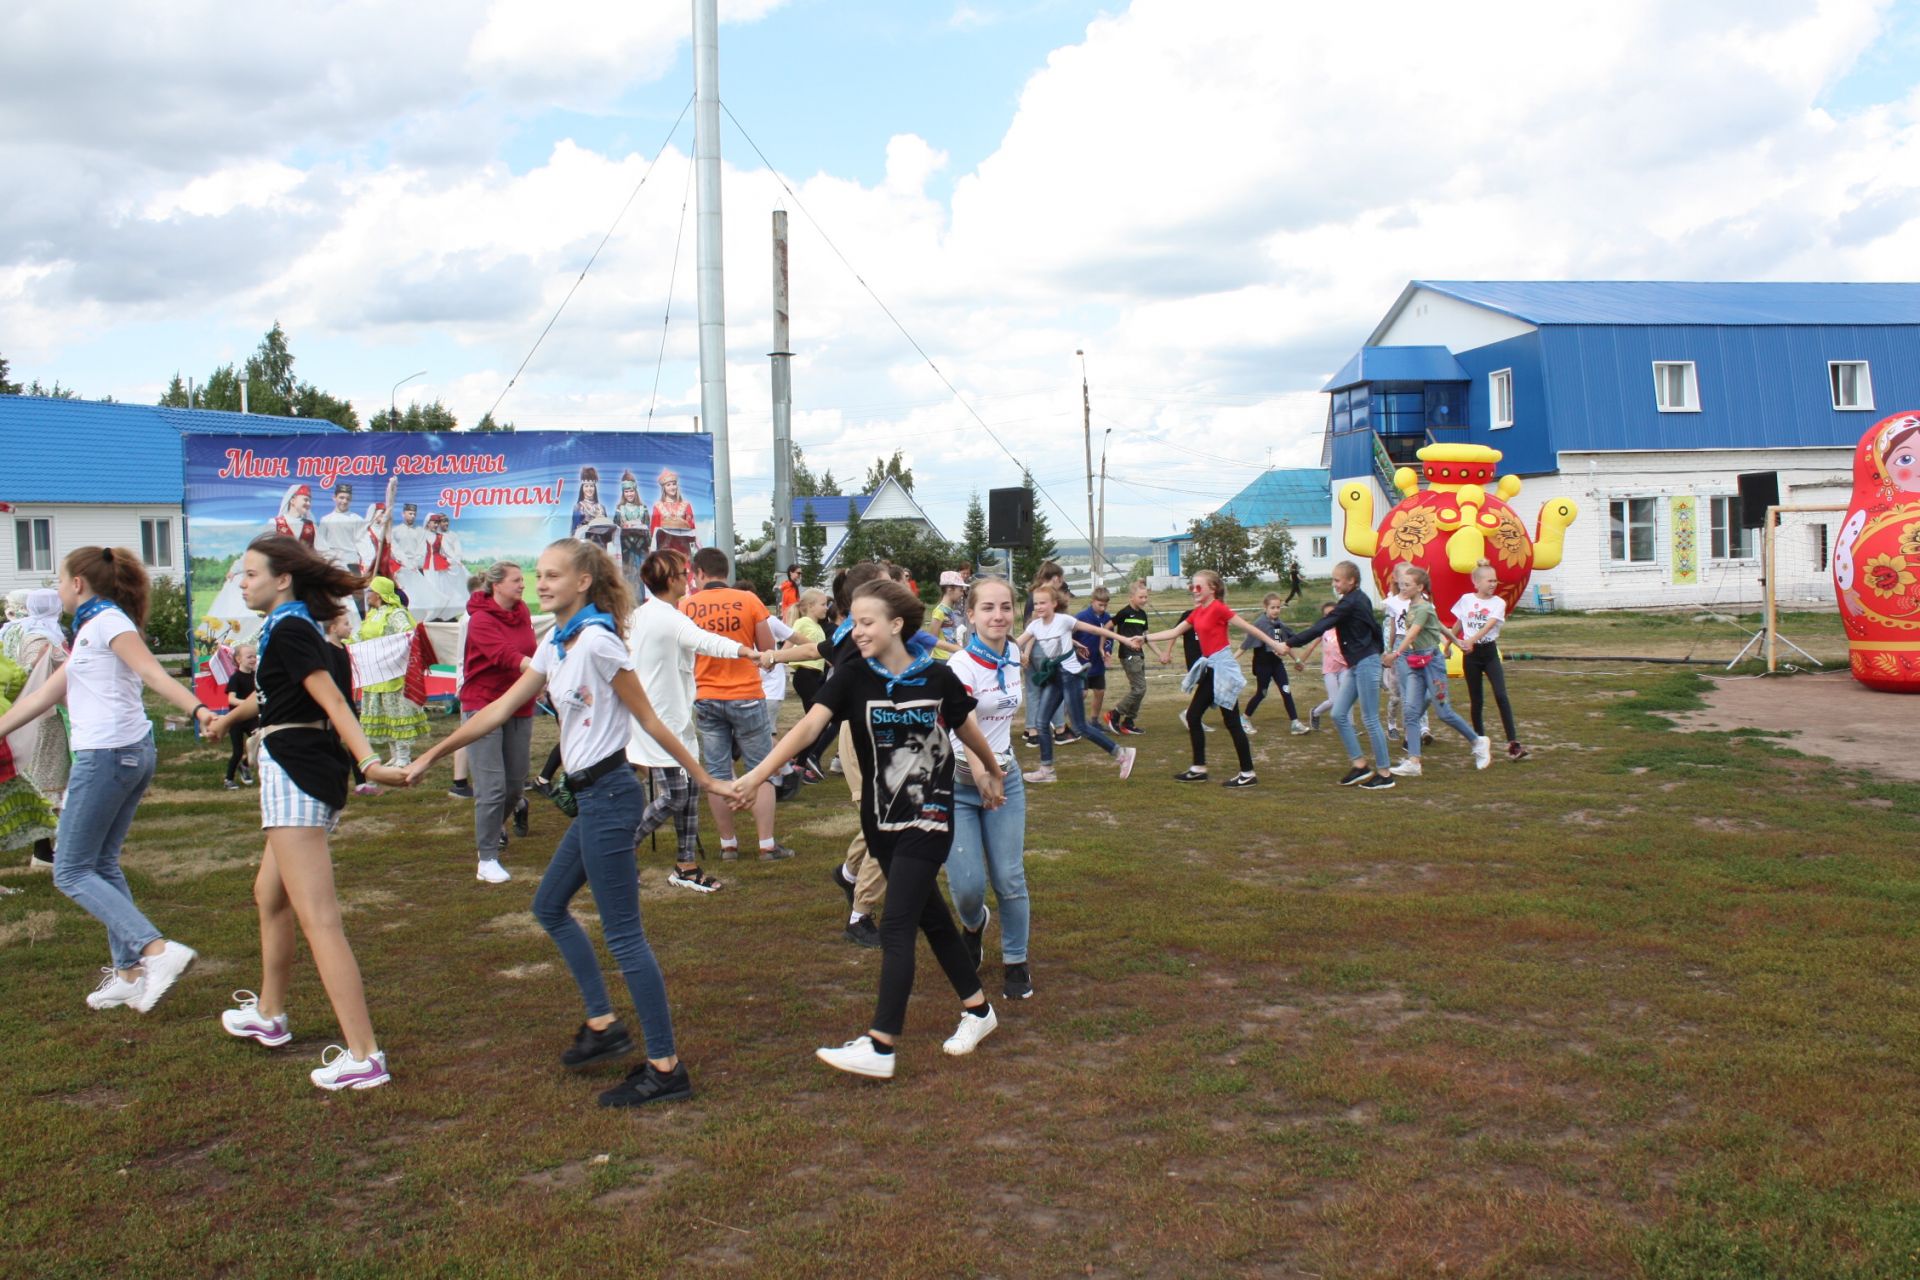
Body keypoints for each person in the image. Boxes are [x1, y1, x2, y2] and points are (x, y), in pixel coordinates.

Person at [407, 538, 727, 1108]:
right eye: (537, 574)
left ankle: (665, 1067)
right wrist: (430, 758)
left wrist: (703, 778)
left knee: (625, 935)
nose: (541, 582)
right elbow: (500, 708)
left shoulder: (600, 641)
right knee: (549, 907)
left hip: (610, 796)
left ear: (583, 581)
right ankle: (604, 1025)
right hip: (591, 799)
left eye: (553, 574)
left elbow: (648, 717)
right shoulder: (557, 643)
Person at [730, 579, 1007, 1080]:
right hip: (881, 822)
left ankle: (881, 1044)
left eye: (865, 622)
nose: (854, 632)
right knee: (934, 922)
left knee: (897, 924)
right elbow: (809, 728)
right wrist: (755, 774)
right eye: (852, 621)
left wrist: (989, 769)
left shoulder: (938, 677)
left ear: (896, 625)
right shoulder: (853, 676)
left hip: (930, 814)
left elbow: (966, 726)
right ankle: (980, 1010)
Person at [204, 535, 408, 1091]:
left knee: (319, 919)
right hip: (296, 768)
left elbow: (333, 701)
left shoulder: (292, 629)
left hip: (295, 772)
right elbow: (276, 696)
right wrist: (227, 721)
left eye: (249, 574)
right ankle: (270, 1016)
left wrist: (369, 762)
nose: (241, 583)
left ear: (283, 579)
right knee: (269, 896)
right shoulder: (294, 629)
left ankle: (365, 1055)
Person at [0, 547, 213, 1012]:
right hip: (122, 754)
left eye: (59, 581)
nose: (56, 590)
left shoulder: (107, 622)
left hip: (110, 756)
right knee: (101, 864)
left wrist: (198, 709)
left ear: (78, 583)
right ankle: (128, 973)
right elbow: (46, 695)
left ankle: (157, 951)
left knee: (70, 870)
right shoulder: (90, 630)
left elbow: (153, 672)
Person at [628, 549, 760, 894]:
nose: (687, 578)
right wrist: (745, 651)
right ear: (671, 580)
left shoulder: (641, 615)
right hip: (661, 721)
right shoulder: (667, 617)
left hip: (666, 717)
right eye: (681, 573)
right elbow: (706, 641)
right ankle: (616, 851)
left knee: (687, 793)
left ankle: (686, 866)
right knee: (674, 795)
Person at [944, 577, 1033, 1001]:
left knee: (1009, 877)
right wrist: (983, 774)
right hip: (960, 784)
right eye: (988, 608)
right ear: (971, 615)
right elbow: (965, 728)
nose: (998, 616)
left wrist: (1000, 771)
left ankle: (1016, 961)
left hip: (1006, 780)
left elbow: (1003, 718)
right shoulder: (960, 667)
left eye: (1005, 607)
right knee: (967, 887)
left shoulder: (1013, 652)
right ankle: (974, 923)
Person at [679, 547, 792, 862]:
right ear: (725, 572)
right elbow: (768, 651)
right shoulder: (749, 600)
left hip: (706, 695)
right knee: (761, 770)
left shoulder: (685, 606)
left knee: (717, 772)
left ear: (698, 573)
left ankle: (728, 844)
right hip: (746, 692)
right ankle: (766, 844)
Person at [1142, 571, 1283, 788]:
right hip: (1210, 668)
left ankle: (1247, 773)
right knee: (1193, 715)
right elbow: (1175, 631)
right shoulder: (1197, 613)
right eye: (1192, 587)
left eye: (1199, 587)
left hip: (1222, 668)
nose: (1194, 591)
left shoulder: (1218, 608)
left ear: (1212, 589)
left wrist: (1275, 645)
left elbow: (1250, 628)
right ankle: (1199, 769)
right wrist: (1143, 638)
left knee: (1231, 722)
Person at [1278, 562, 1395, 790]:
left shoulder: (1351, 602)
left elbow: (1321, 626)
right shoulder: (1356, 599)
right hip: (1355, 664)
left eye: (1337, 580)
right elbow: (1375, 628)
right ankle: (1360, 765)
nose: (1334, 584)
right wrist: (1377, 649)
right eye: (1333, 580)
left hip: (1366, 663)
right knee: (1339, 713)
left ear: (1351, 581)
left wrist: (1289, 643)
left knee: (1370, 718)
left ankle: (1384, 773)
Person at [1016, 584, 1138, 785]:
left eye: (1043, 603)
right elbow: (1015, 643)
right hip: (1054, 676)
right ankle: (1047, 770)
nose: (1038, 607)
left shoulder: (1064, 620)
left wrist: (1124, 639)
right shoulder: (1034, 626)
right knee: (1041, 722)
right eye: (1035, 603)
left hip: (1070, 676)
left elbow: (1096, 630)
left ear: (1054, 604)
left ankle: (1121, 753)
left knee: (1080, 726)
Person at [462, 562, 538, 884]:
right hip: (483, 706)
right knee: (492, 788)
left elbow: (528, 648)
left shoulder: (522, 613)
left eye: (523, 579)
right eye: (517, 580)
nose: (523, 585)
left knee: (514, 786)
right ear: (497, 586)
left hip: (519, 706)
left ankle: (496, 826)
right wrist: (538, 669)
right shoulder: (479, 620)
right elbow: (504, 655)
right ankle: (487, 858)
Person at [1384, 565, 1489, 777]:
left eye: (1407, 585)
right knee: (1411, 712)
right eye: (1401, 584)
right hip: (1415, 664)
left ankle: (1478, 742)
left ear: (1419, 587)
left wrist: (1394, 655)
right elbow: (1439, 626)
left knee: (1443, 712)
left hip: (1432, 664)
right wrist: (1457, 642)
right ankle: (1414, 761)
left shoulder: (1423, 608)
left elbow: (1412, 635)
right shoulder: (1415, 606)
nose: (1402, 588)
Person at [3, 588, 70, 870]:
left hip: (15, 712)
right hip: (45, 715)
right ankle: (44, 851)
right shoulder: (43, 638)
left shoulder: (10, 632)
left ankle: (47, 849)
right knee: (47, 778)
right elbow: (40, 674)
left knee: (34, 775)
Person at [1453, 560, 1530, 761]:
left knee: (1501, 695)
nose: (1493, 584)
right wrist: (1447, 645)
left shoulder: (1499, 603)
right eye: (1489, 581)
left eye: (1495, 581)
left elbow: (1489, 625)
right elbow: (1459, 623)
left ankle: (1513, 744)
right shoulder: (1466, 599)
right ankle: (1480, 743)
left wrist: (1470, 640)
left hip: (1488, 652)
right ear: (1476, 582)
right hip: (1471, 656)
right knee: (1476, 700)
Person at [354, 577, 428, 778]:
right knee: (386, 714)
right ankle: (395, 755)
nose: (367, 594)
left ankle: (404, 755)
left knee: (397, 713)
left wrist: (389, 649)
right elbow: (360, 637)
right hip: (375, 674)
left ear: (378, 594)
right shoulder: (372, 615)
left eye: (370, 590)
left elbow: (408, 633)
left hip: (392, 673)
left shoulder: (395, 613)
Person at [1020, 562, 1073, 746]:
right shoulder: (1047, 598)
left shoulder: (1033, 595)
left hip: (1031, 649)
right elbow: (1036, 626)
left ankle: (1032, 732)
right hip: (1044, 649)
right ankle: (1059, 729)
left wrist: (1025, 652)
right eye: (1062, 579)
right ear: (1056, 578)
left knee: (1033, 691)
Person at [1241, 592, 1308, 736]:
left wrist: (1297, 660)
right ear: (1265, 607)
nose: (1276, 610)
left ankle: (1295, 723)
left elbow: (1285, 645)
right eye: (1273, 607)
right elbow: (1246, 644)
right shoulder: (1260, 624)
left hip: (1276, 664)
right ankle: (1244, 719)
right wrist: (1233, 659)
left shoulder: (1280, 625)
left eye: (1278, 607)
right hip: (1262, 665)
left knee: (1286, 690)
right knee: (1262, 693)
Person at [1381, 564, 1429, 744]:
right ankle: (1392, 724)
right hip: (1400, 647)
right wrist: (1388, 652)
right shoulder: (1392, 603)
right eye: (1404, 578)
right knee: (1398, 694)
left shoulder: (1421, 600)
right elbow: (1390, 629)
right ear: (1397, 580)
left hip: (1417, 646)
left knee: (1418, 690)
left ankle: (1422, 729)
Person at [787, 588, 830, 782]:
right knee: (817, 722)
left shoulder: (818, 626)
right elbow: (789, 644)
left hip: (815, 676)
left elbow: (821, 652)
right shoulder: (803, 622)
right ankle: (798, 763)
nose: (826, 608)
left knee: (817, 722)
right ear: (811, 606)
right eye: (823, 604)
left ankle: (797, 761)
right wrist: (773, 660)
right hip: (804, 676)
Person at [1104, 579, 1152, 737]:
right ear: (1131, 597)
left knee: (1139, 689)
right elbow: (1107, 627)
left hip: (1139, 655)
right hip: (1128, 655)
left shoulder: (1143, 615)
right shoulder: (1124, 612)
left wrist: (1161, 654)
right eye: (1141, 597)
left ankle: (1129, 722)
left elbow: (1146, 637)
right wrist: (1103, 647)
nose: (1144, 600)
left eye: (1146, 597)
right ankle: (1115, 714)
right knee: (1139, 688)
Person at [1300, 601, 1348, 732]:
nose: (1330, 618)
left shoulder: (1344, 629)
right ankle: (1315, 712)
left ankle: (1350, 727)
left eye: (1333, 614)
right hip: (1329, 670)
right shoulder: (1323, 631)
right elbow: (1311, 646)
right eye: (1327, 616)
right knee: (1334, 700)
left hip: (1344, 668)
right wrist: (1300, 661)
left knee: (1346, 696)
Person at [1074, 585, 1115, 727]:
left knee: (1100, 691)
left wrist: (1108, 650)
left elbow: (1110, 637)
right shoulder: (1080, 617)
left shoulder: (1107, 618)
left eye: (1105, 605)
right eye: (1100, 605)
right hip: (1082, 663)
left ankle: (1094, 720)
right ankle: (1074, 721)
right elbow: (1069, 637)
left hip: (1098, 662)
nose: (1103, 608)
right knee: (1082, 693)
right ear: (1092, 601)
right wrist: (1076, 648)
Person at [222, 643, 258, 789]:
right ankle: (228, 779)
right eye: (249, 656)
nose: (253, 659)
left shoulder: (257, 677)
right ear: (238, 659)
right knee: (237, 751)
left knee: (259, 745)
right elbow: (231, 699)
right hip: (236, 719)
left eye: (254, 656)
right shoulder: (235, 678)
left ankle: (245, 765)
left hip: (252, 719)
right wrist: (248, 704)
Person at [650, 468, 699, 557]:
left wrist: (694, 552)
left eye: (674, 484)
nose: (672, 487)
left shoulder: (686, 505)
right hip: (665, 549)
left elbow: (692, 529)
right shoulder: (657, 506)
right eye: (668, 485)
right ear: (663, 488)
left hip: (683, 549)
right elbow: (654, 530)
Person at [317, 484, 365, 572]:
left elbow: (364, 544)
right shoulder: (326, 519)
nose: (344, 501)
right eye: (341, 497)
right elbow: (320, 545)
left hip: (352, 563)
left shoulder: (357, 519)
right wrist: (329, 559)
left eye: (348, 498)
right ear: (334, 498)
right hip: (333, 564)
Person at [929, 571, 968, 660]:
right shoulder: (939, 611)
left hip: (952, 657)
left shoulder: (950, 611)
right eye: (960, 590)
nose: (962, 594)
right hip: (942, 659)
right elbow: (932, 638)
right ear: (950, 589)